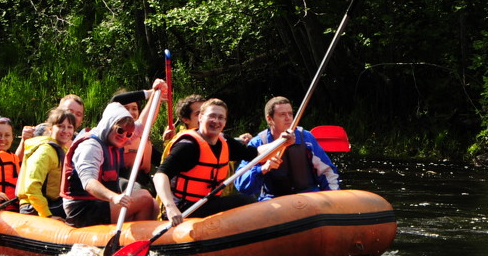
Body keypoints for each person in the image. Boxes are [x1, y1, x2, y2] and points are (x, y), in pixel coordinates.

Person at [153, 98, 290, 226]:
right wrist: (170, 207)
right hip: (185, 209)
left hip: (208, 203)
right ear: (200, 118)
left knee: (246, 200)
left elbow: (256, 153)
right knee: (245, 201)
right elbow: (160, 175)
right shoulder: (188, 146)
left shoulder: (225, 141)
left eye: (220, 118)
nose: (216, 121)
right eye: (211, 116)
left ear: (225, 122)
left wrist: (282, 142)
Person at [63, 102, 157, 227]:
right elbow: (89, 183)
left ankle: (133, 235)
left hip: (100, 202)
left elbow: (141, 127)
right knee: (144, 198)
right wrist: (113, 197)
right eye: (120, 130)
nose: (124, 136)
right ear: (109, 124)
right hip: (83, 209)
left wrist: (157, 97)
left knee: (154, 205)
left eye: (128, 134)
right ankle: (133, 240)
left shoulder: (114, 138)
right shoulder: (91, 146)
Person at [234, 96, 340, 200]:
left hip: (308, 196)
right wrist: (262, 169)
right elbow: (242, 185)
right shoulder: (258, 143)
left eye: (290, 114)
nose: (288, 118)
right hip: (274, 199)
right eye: (282, 115)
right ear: (269, 119)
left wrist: (333, 199)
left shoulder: (306, 138)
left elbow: (327, 172)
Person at [16, 108, 75, 219]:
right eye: (61, 126)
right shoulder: (45, 151)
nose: (66, 131)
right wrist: (47, 215)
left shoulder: (62, 150)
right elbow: (31, 187)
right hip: (33, 207)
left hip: (51, 203)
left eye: (69, 127)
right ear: (50, 129)